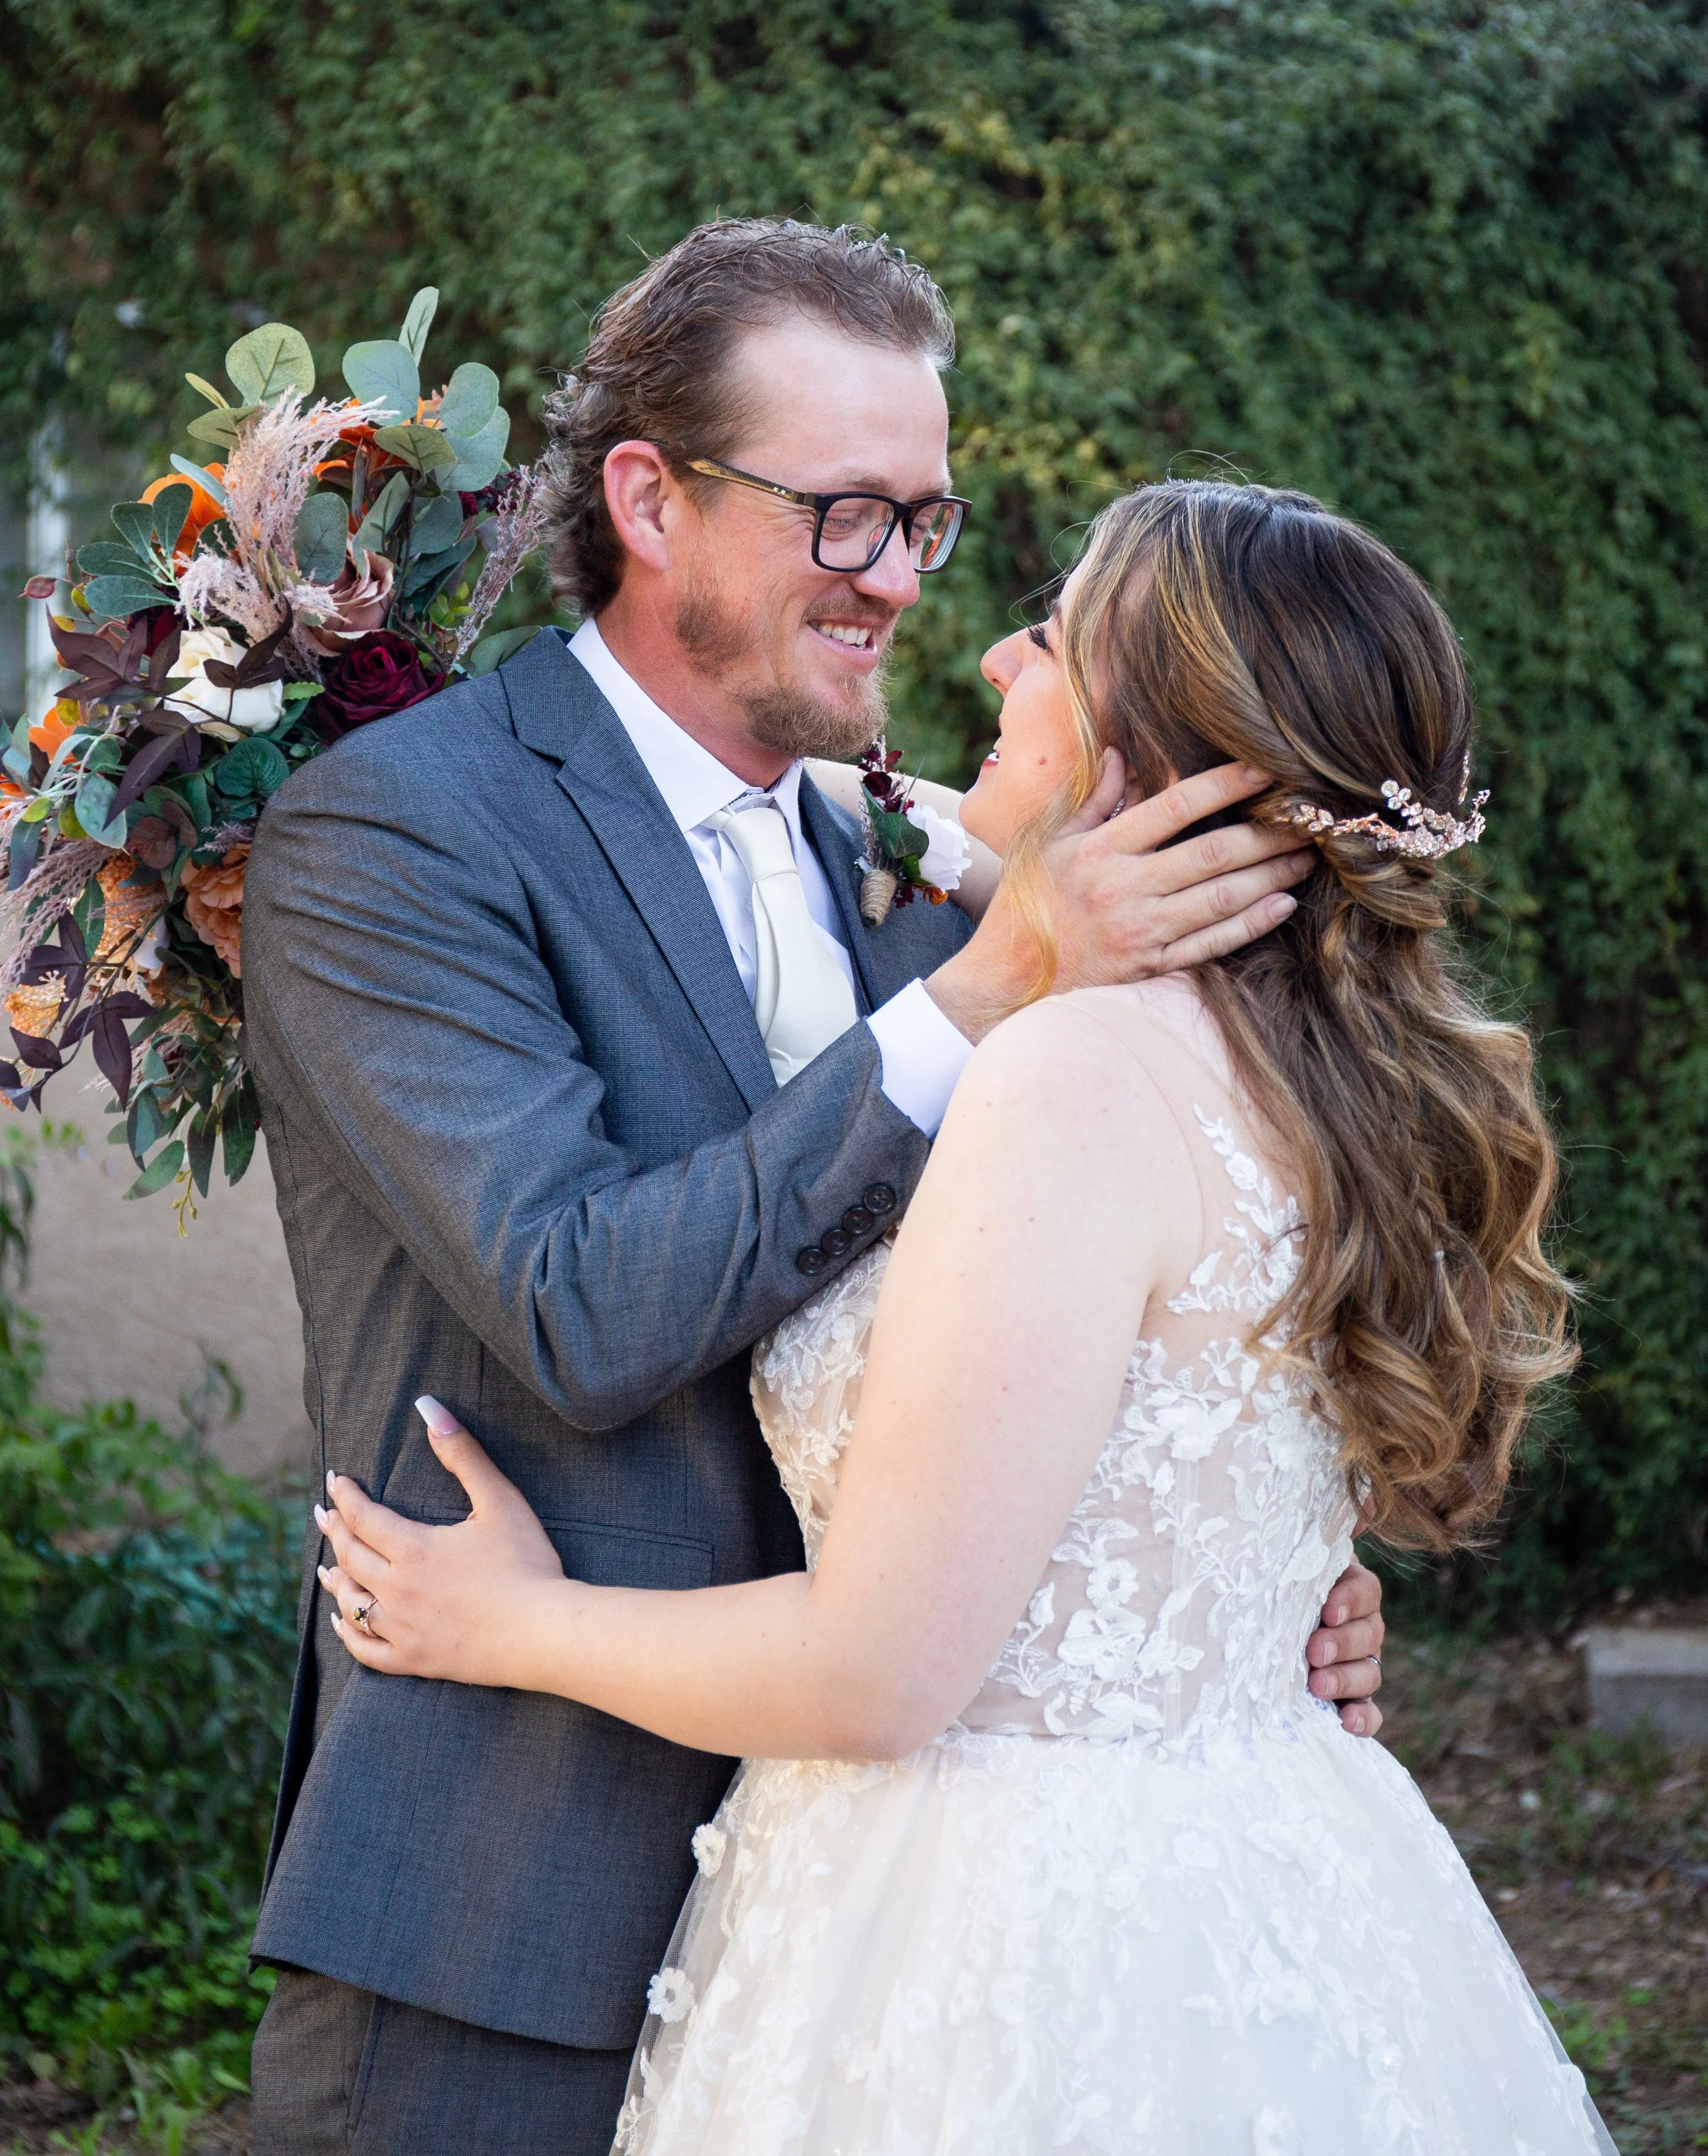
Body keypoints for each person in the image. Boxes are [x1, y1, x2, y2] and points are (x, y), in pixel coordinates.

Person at [242, 222, 1386, 2156]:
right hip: (513, 1893)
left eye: (925, 521)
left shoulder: (914, 846)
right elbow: (577, 1301)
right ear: (649, 500)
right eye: (844, 515)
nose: (896, 583)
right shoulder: (398, 835)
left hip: (877, 1910)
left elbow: (1069, 1311)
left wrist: (1240, 1583)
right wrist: (989, 985)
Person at [314, 476, 1615, 2155]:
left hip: (1002, 1935)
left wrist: (502, 1622)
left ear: (1166, 754)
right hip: (1278, 1876)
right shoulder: (1318, 1077)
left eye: (1055, 636)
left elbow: (876, 1673)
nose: (995, 653)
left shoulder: (1071, 1072)